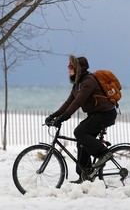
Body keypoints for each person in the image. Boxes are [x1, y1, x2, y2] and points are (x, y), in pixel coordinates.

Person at [45, 55, 117, 183]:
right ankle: (85, 175)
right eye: (68, 66)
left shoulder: (88, 82)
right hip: (96, 114)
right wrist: (53, 115)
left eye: (71, 66)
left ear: (79, 68)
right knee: (81, 142)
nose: (68, 68)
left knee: (80, 132)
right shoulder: (77, 84)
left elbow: (77, 102)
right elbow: (68, 102)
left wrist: (63, 118)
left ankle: (103, 153)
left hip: (106, 114)